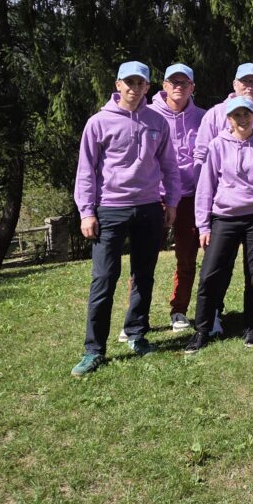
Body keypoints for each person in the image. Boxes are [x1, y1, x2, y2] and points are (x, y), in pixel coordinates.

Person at [71, 61, 181, 376]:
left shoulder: (157, 122)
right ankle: (93, 350)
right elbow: (86, 171)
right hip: (110, 209)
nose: (134, 88)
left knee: (143, 275)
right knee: (104, 279)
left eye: (140, 83)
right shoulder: (98, 123)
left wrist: (171, 202)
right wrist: (87, 212)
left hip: (148, 208)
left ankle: (136, 333)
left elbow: (170, 166)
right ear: (118, 85)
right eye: (128, 82)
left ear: (148, 87)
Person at [185, 96, 253, 352]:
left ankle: (251, 326)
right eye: (237, 115)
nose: (242, 120)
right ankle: (202, 329)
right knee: (210, 273)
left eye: (247, 114)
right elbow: (206, 186)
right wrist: (204, 225)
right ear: (229, 119)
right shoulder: (217, 146)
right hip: (225, 216)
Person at [149, 63, 205, 332]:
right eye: (173, 81)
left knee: (186, 257)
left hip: (191, 197)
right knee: (144, 258)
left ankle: (179, 310)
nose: (178, 86)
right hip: (153, 196)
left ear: (192, 87)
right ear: (164, 86)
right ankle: (136, 317)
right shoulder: (147, 115)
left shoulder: (204, 118)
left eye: (184, 82)